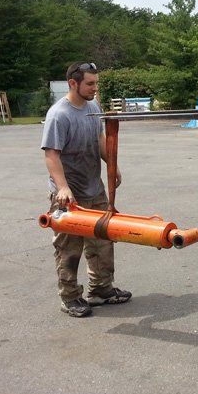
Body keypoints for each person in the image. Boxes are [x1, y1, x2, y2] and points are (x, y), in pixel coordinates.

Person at [41, 62, 131, 317]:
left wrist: (112, 166)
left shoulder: (93, 107)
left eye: (96, 83)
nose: (95, 88)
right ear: (73, 83)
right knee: (69, 248)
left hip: (95, 190)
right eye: (90, 84)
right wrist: (63, 188)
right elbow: (51, 155)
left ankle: (102, 289)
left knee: (103, 241)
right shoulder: (59, 115)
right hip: (70, 196)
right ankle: (70, 298)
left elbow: (99, 139)